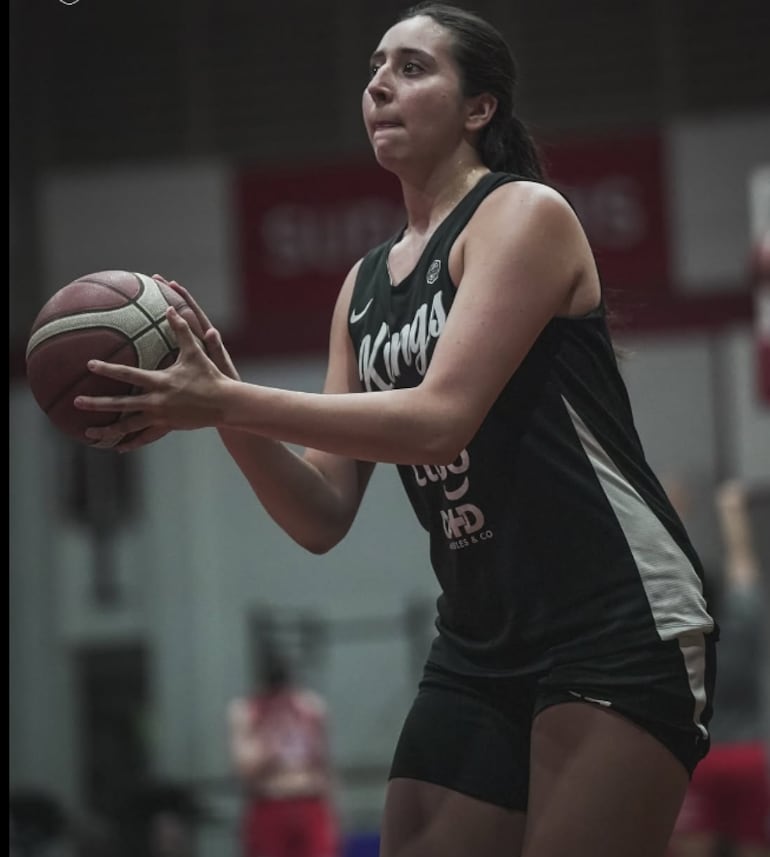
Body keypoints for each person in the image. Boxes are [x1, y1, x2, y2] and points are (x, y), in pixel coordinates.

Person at [74, 3, 719, 854]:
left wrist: (228, 400)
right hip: (481, 637)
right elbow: (319, 513)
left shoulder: (522, 214)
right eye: (375, 66)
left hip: (614, 615)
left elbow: (437, 421)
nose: (379, 82)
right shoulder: (363, 285)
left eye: (413, 67)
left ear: (479, 107)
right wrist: (221, 400)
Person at [667, 480, 769, 857]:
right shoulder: (743, 618)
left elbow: (665, 577)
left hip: (702, 761)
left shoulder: (678, 639)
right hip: (747, 759)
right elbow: (744, 564)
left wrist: (669, 512)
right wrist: (732, 510)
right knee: (751, 846)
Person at [227, 642, 341, 857]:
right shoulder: (246, 712)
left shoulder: (310, 707)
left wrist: (333, 816)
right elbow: (244, 769)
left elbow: (325, 764)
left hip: (309, 800)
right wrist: (272, 741)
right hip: (269, 803)